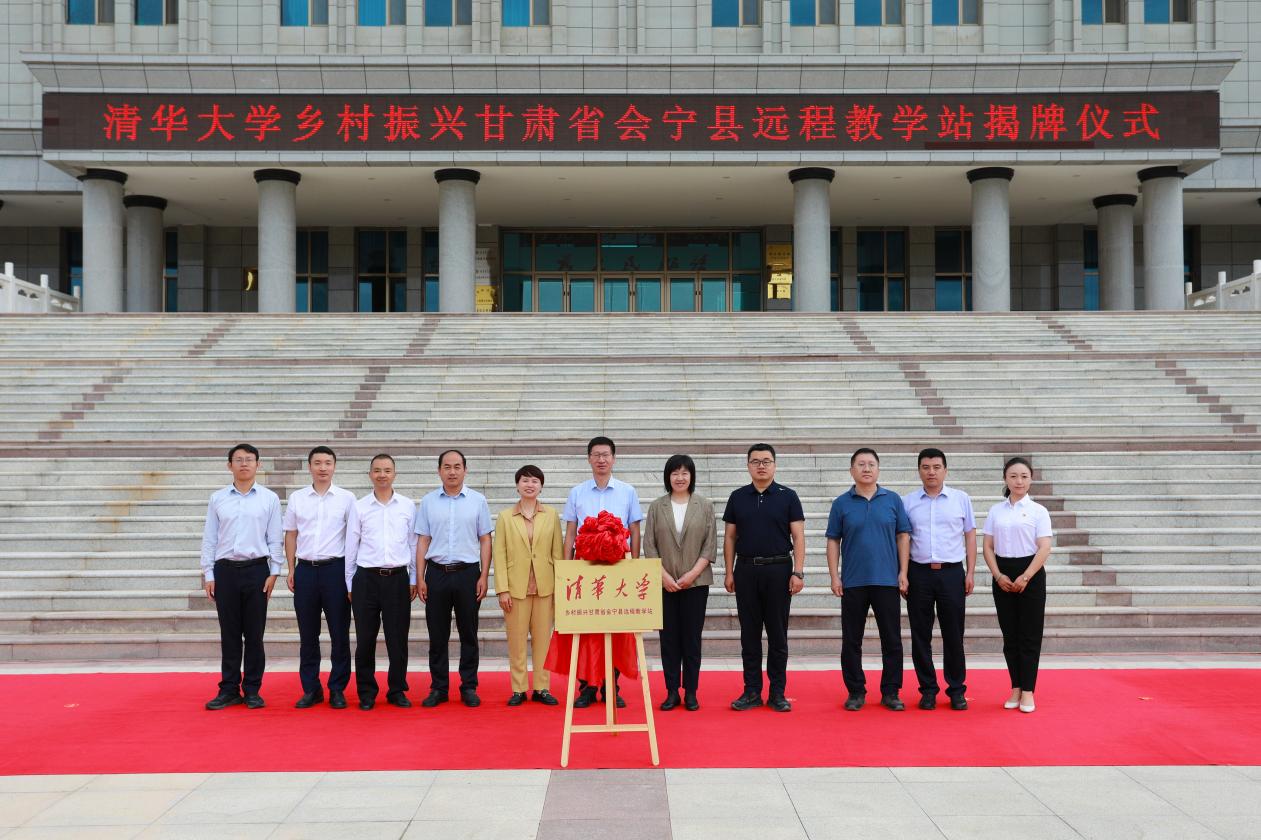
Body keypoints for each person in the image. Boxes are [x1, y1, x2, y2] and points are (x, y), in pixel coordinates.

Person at [826, 447, 912, 712]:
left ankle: (891, 692)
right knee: (852, 640)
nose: (866, 468)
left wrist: (903, 572)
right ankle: (855, 691)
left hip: (887, 580)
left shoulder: (892, 499)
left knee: (892, 639)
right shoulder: (841, 503)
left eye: (871, 464)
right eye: (861, 464)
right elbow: (833, 540)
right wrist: (834, 575)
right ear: (851, 470)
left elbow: (903, 536)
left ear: (878, 469)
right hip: (853, 582)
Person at [560, 435, 644, 708]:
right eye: (596, 455)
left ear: (614, 459)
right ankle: (586, 687)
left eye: (606, 454)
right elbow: (570, 532)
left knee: (616, 628)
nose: (601, 459)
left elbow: (635, 530)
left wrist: (633, 564)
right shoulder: (577, 492)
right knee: (585, 628)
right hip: (585, 569)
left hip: (617, 568)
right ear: (589, 459)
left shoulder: (627, 491)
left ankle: (610, 686)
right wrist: (566, 568)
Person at [200, 443, 283, 711]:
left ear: (258, 464)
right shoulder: (218, 499)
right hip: (225, 571)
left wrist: (275, 571)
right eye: (238, 459)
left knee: (255, 634)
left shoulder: (269, 499)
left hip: (257, 571)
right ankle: (228, 689)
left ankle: (252, 690)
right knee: (230, 633)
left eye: (249, 459)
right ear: (230, 465)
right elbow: (210, 538)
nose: (244, 464)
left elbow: (275, 538)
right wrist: (209, 573)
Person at [723, 443, 805, 713]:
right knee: (749, 634)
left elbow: (798, 537)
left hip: (779, 570)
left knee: (778, 634)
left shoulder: (788, 496)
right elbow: (730, 537)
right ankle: (751, 691)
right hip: (746, 570)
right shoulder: (737, 497)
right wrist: (729, 571)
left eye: (766, 461)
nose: (761, 466)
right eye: (755, 461)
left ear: (774, 465)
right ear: (748, 465)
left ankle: (778, 692)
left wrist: (798, 572)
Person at [416, 449, 493, 708]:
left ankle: (468, 686)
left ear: (465, 470)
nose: (452, 472)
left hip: (467, 574)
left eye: (457, 466)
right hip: (436, 573)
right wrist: (420, 577)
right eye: (447, 467)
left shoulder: (478, 500)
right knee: (437, 634)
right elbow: (423, 540)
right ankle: (438, 688)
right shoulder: (428, 502)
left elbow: (485, 539)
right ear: (439, 471)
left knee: (468, 633)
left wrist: (484, 575)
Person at [902, 447, 976, 711]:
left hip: (951, 573)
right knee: (920, 634)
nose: (931, 472)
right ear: (919, 470)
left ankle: (956, 689)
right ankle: (928, 690)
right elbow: (903, 538)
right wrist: (903, 573)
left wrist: (970, 571)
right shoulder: (908, 502)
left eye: (936, 467)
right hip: (919, 573)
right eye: (926, 467)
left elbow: (970, 535)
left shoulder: (961, 499)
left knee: (953, 633)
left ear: (945, 470)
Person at [283, 445, 357, 710]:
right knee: (308, 634)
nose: (323, 468)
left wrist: (350, 575)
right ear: (309, 466)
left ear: (334, 466)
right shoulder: (297, 498)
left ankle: (337, 688)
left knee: (339, 633)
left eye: (327, 463)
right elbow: (291, 534)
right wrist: (291, 569)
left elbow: (354, 537)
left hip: (335, 570)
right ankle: (311, 689)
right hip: (305, 570)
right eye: (317, 463)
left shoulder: (347, 498)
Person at [643, 454, 716, 712]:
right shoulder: (657, 507)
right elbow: (649, 546)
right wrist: (663, 576)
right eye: (675, 473)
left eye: (685, 473)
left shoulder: (704, 506)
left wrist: (692, 574)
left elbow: (709, 545)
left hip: (696, 584)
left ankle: (691, 692)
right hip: (664, 584)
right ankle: (672, 691)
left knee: (692, 639)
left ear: (692, 476)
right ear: (668, 477)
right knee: (669, 640)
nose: (680, 477)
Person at [344, 453, 417, 711]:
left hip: (397, 579)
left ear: (394, 474)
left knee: (398, 639)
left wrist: (414, 578)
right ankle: (366, 692)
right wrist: (350, 583)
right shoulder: (359, 506)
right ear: (370, 475)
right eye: (377, 470)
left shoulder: (407, 506)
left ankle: (397, 690)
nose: (382, 475)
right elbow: (351, 545)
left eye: (387, 470)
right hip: (366, 579)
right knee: (365, 639)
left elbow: (413, 543)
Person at [982, 456, 1053, 714]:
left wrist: (1026, 576)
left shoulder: (1038, 511)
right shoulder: (995, 511)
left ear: (1031, 479)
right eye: (1013, 476)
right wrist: (998, 575)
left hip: (1030, 574)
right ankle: (1015, 687)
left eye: (1024, 476)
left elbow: (1044, 547)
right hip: (1002, 574)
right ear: (1005, 479)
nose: (1019, 481)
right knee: (1010, 635)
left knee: (1029, 635)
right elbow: (987, 546)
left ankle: (1028, 691)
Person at [492, 464, 562, 707]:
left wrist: (560, 588)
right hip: (516, 589)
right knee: (517, 641)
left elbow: (557, 553)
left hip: (545, 588)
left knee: (543, 642)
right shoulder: (505, 517)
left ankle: (542, 688)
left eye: (534, 481)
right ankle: (518, 688)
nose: (529, 485)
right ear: (517, 485)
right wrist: (502, 589)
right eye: (525, 480)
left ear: (541, 486)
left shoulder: (551, 515)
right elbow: (499, 554)